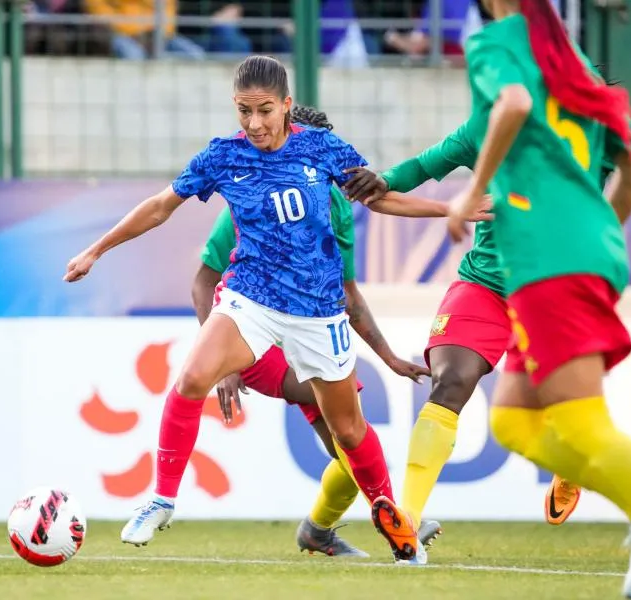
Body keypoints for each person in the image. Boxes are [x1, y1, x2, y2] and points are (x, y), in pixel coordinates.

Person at [64, 55, 419, 562]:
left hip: (317, 312)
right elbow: (161, 208)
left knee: (346, 427)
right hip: (250, 299)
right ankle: (162, 497)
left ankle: (389, 514)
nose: (253, 123)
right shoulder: (224, 157)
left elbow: (381, 201)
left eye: (264, 111)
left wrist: (453, 208)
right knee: (192, 377)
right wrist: (97, 249)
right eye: (243, 111)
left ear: (287, 107)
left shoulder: (323, 155)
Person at [343, 114, 631, 563]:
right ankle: (407, 524)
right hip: (485, 285)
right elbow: (419, 169)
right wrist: (383, 178)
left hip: (554, 294)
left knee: (558, 418)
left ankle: (580, 472)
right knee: (449, 382)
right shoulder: (484, 127)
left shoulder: (593, 131)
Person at [439, 0, 631, 597]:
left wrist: (473, 191)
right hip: (582, 252)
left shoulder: (497, 46)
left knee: (583, 427)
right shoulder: (575, 67)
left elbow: (513, 104)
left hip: (548, 258)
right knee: (516, 421)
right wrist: (597, 242)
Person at [193, 104, 494, 559]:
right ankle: (393, 513)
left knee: (348, 431)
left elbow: (348, 294)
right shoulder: (250, 191)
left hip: (306, 328)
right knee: (342, 422)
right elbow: (202, 281)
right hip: (254, 336)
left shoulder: (334, 204)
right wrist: (222, 365)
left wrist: (390, 357)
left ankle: (320, 529)